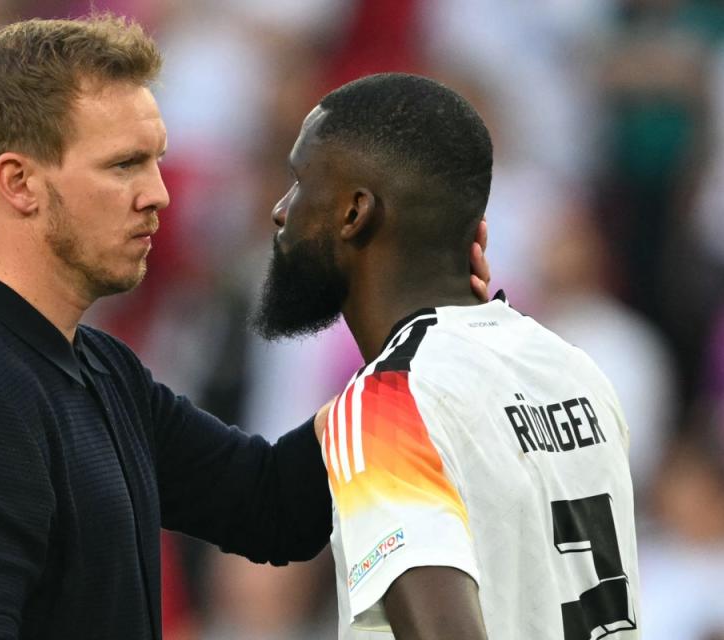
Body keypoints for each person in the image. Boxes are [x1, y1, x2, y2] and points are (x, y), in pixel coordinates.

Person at [0, 14, 495, 640]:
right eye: (124, 164)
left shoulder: (94, 364)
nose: (159, 193)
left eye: (155, 160)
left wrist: (420, 341)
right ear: (18, 183)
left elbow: (271, 505)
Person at [253, 72, 640, 640]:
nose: (280, 211)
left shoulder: (386, 404)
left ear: (354, 213)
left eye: (299, 182)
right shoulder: (573, 368)